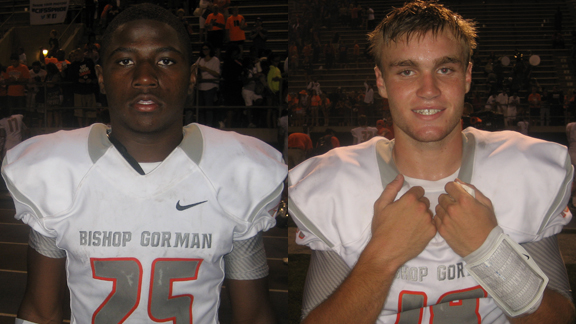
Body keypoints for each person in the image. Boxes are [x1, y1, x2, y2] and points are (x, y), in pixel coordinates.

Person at [288, 1, 575, 323]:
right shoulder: (336, 183)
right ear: (381, 81)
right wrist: (382, 256)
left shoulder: (523, 169)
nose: (429, 90)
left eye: (445, 69)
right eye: (407, 71)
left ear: (466, 76)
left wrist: (489, 250)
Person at [5, 4, 286, 324]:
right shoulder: (58, 171)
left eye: (165, 60)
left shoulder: (235, 171)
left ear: (192, 76)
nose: (145, 77)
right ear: (100, 77)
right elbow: (42, 312)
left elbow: (254, 315)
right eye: (125, 61)